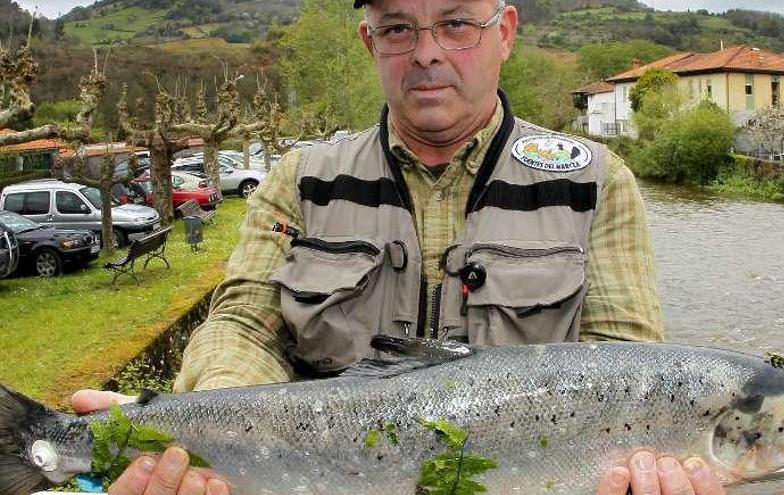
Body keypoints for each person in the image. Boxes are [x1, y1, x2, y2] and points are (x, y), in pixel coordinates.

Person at [72, 1, 725, 494]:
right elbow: (243, 325)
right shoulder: (298, 180)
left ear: (505, 33)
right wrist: (221, 434)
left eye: (456, 24)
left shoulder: (594, 181)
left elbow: (630, 372)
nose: (426, 53)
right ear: (370, 41)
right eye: (398, 29)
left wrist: (655, 460)